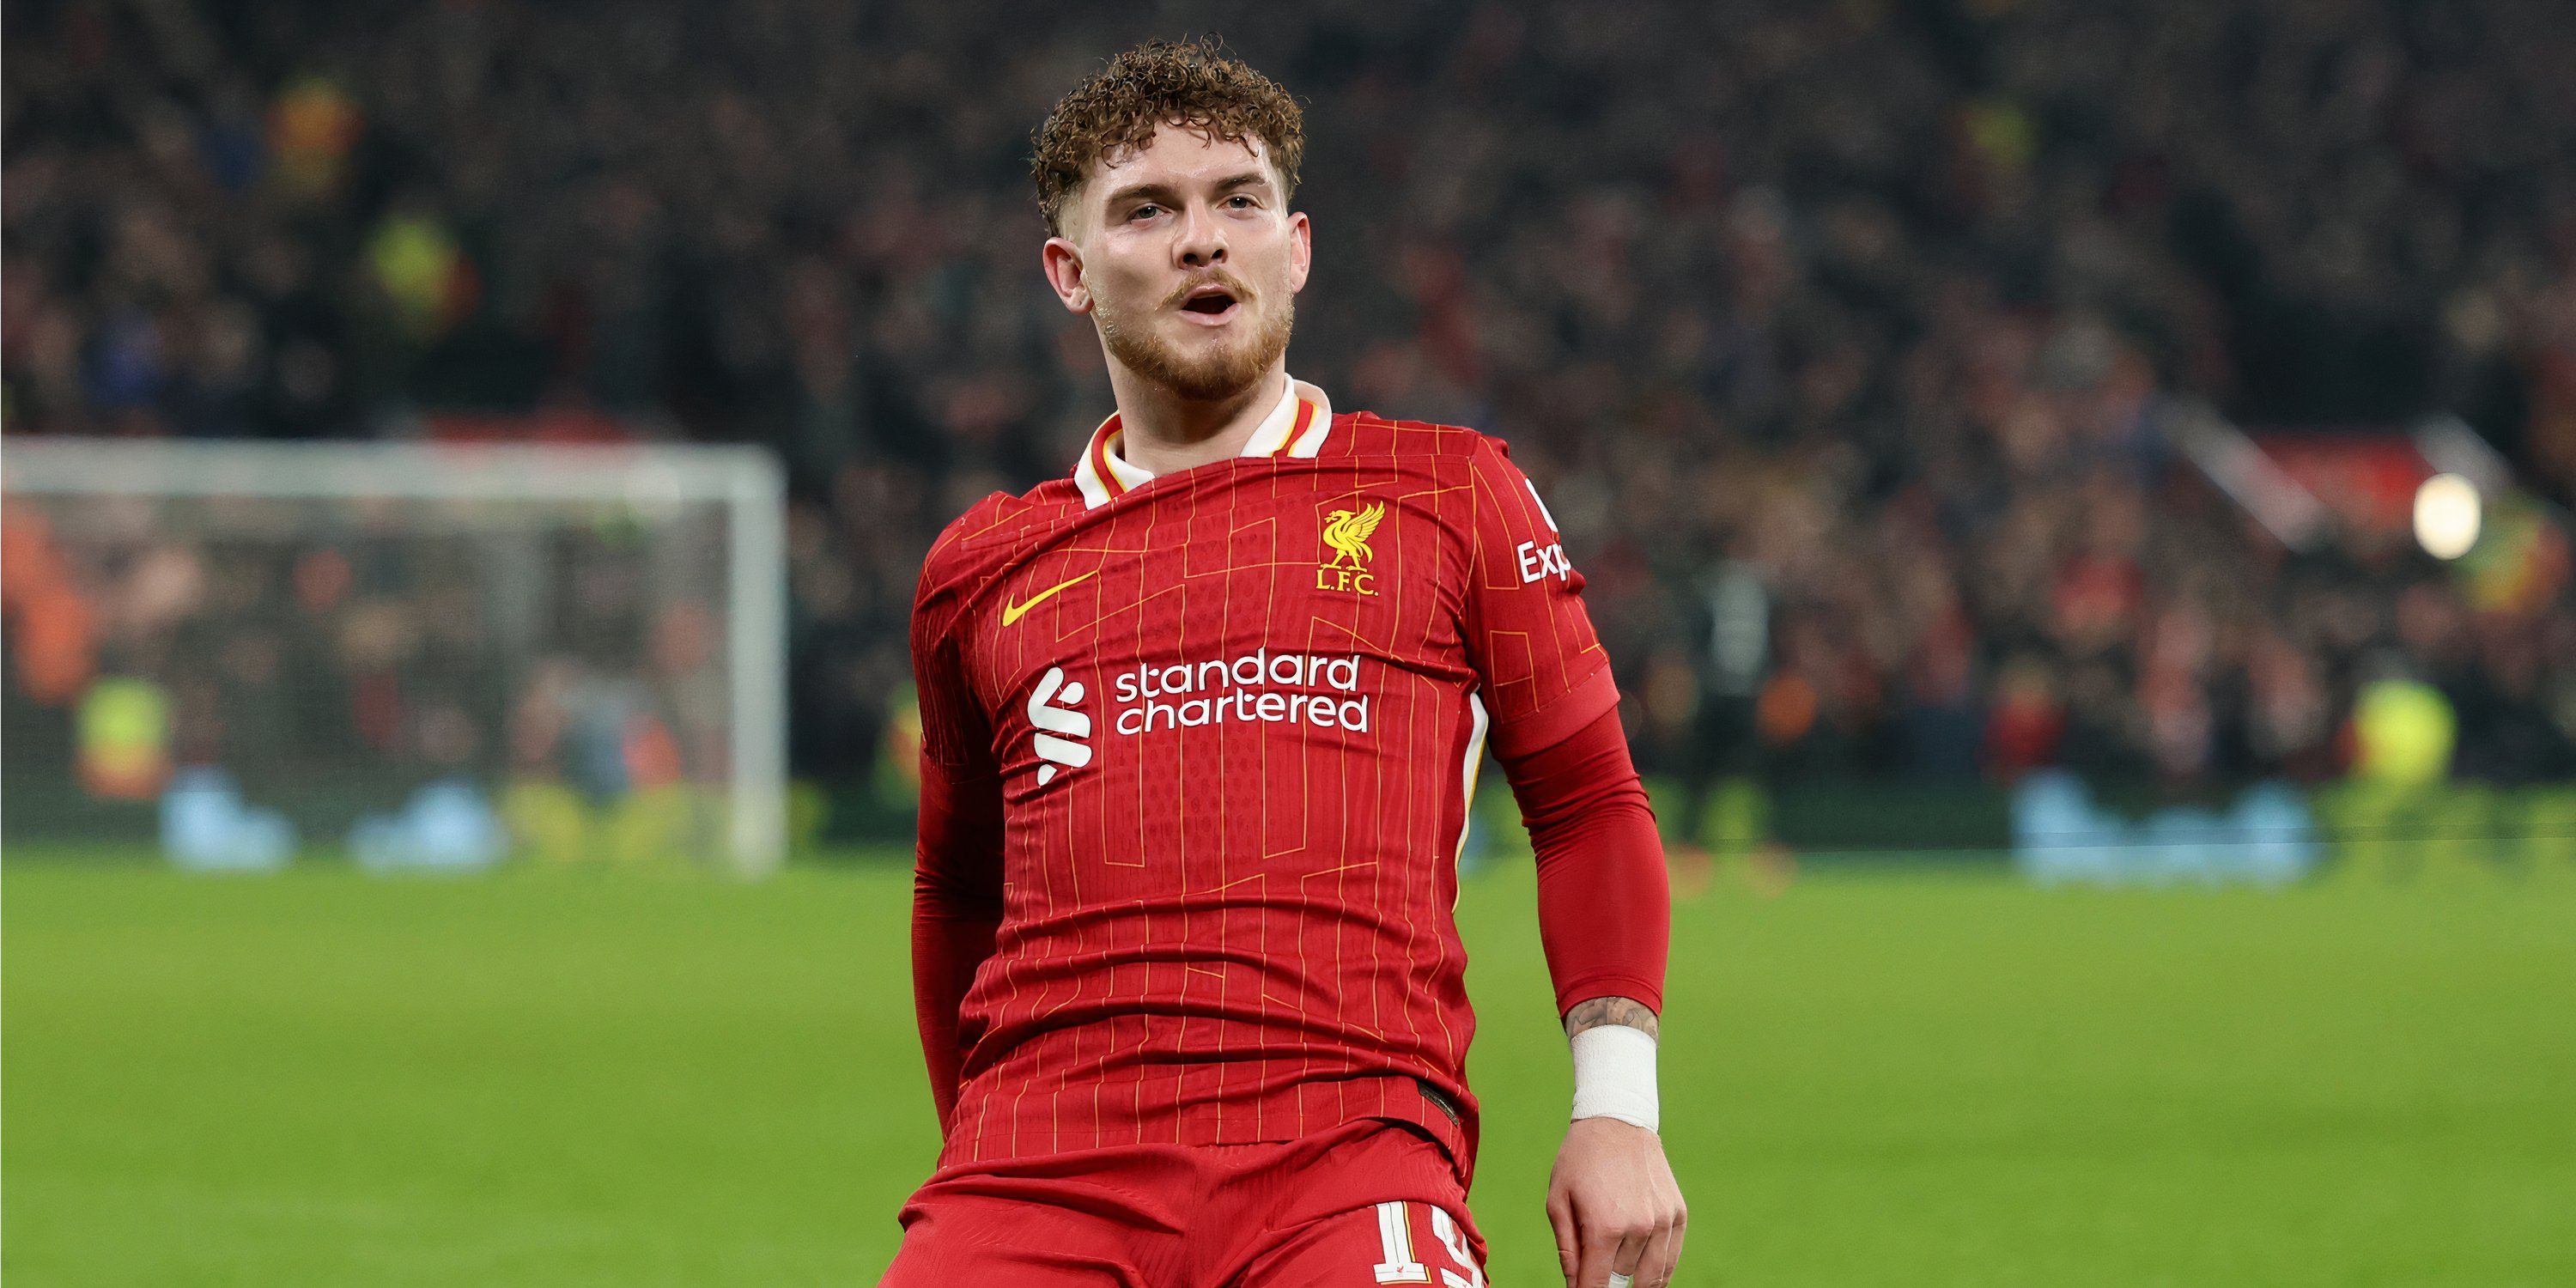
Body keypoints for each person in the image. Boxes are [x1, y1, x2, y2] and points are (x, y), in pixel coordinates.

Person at [887, 38, 1683, 1288]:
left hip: (1349, 1167)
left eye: (1238, 200)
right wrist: (984, 1174)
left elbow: (1586, 802)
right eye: (1147, 211)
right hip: (1040, 1174)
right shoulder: (982, 566)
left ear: (1295, 247)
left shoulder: (1446, 492)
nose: (1203, 239)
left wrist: (1618, 1111)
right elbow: (955, 897)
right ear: (1070, 272)